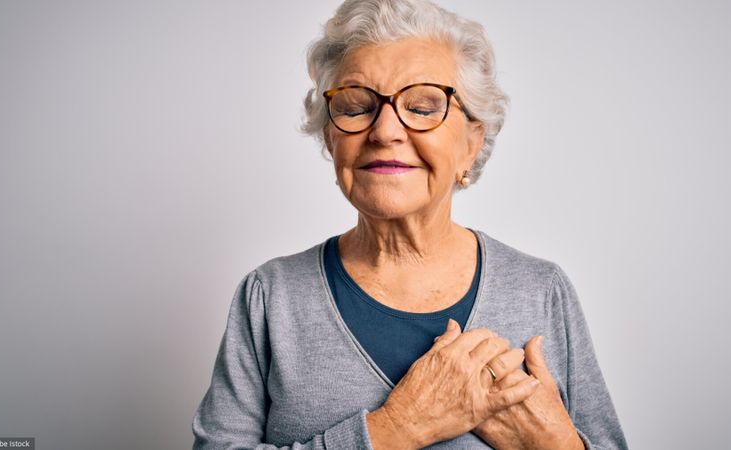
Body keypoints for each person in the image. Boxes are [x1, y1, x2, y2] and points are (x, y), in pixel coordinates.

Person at [192, 0, 627, 448]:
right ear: (331, 136)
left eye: (421, 107)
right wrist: (398, 427)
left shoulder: (541, 290)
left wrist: (555, 444)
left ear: (471, 144)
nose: (384, 132)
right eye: (357, 106)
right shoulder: (270, 296)